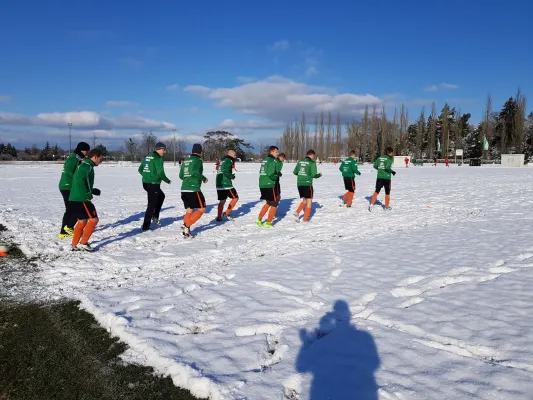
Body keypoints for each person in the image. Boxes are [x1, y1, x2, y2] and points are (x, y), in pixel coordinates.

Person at [68, 149, 103, 251]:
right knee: (94, 220)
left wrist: (92, 190)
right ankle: (83, 243)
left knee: (82, 221)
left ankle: (74, 245)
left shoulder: (85, 165)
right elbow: (80, 182)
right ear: (95, 157)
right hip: (81, 199)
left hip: (74, 198)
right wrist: (87, 194)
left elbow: (82, 181)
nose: (101, 161)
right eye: (101, 159)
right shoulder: (86, 167)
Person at [58, 142, 90, 239]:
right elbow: (68, 173)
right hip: (67, 186)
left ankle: (64, 231)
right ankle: (67, 228)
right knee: (73, 209)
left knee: (70, 209)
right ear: (81, 150)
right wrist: (76, 184)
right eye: (86, 151)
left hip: (70, 186)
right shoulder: (73, 158)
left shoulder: (77, 158)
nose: (87, 153)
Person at [138, 142, 171, 231]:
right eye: (164, 150)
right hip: (153, 184)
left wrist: (146, 176)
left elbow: (140, 169)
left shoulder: (148, 157)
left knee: (161, 196)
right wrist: (167, 180)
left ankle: (155, 215)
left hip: (145, 183)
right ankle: (146, 226)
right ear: (159, 149)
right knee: (151, 205)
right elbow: (160, 173)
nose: (165, 152)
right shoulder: (158, 158)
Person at [179, 143, 208, 238]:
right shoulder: (198, 160)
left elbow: (181, 176)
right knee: (202, 208)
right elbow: (196, 172)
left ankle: (186, 231)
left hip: (184, 189)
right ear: (200, 151)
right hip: (193, 189)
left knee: (189, 209)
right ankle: (186, 225)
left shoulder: (186, 161)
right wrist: (203, 178)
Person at [293, 150, 322, 222]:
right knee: (309, 200)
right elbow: (313, 175)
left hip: (299, 183)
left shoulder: (300, 162)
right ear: (312, 155)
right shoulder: (312, 163)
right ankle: (305, 219)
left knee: (304, 200)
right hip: (307, 184)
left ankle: (297, 212)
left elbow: (295, 172)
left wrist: (302, 175)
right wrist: (319, 175)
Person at [256, 146, 280, 228]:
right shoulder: (272, 161)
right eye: (276, 152)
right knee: (274, 203)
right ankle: (269, 223)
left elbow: (261, 171)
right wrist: (275, 177)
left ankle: (259, 219)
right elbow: (270, 174)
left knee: (269, 203)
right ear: (272, 152)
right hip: (269, 184)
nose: (278, 153)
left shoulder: (265, 160)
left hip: (262, 184)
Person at [369, 147, 395, 212]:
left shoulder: (380, 158)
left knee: (377, 191)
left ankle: (372, 204)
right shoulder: (390, 158)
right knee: (387, 192)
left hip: (379, 177)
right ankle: (386, 207)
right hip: (386, 178)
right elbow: (387, 167)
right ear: (391, 152)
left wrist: (380, 170)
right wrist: (392, 171)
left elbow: (374, 166)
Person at [216, 150, 239, 221]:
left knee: (222, 201)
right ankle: (226, 213)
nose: (235, 156)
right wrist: (231, 176)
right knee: (235, 198)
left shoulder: (223, 160)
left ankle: (219, 217)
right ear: (231, 155)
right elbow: (224, 170)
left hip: (219, 183)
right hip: (226, 184)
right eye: (235, 155)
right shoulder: (228, 160)